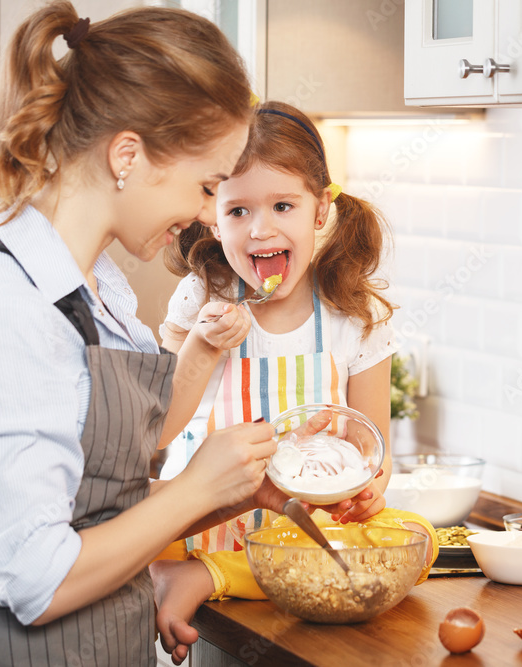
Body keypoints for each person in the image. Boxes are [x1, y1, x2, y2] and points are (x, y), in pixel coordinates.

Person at [0, 4, 286, 665]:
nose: (206, 218)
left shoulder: (91, 290)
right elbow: (38, 579)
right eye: (206, 186)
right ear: (127, 155)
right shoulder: (12, 321)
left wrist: (224, 495)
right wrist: (195, 487)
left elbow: (95, 511)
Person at [150, 101, 438, 663]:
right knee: (140, 523)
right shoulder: (201, 295)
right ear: (212, 214)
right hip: (205, 524)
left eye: (283, 205)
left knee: (419, 538)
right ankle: (190, 571)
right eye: (237, 211)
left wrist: (369, 487)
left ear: (320, 209)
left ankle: (211, 577)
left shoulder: (355, 314)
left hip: (304, 534)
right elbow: (156, 430)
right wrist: (202, 348)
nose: (261, 229)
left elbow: (372, 447)